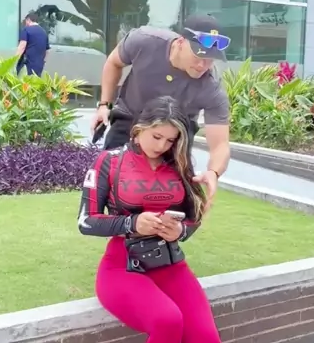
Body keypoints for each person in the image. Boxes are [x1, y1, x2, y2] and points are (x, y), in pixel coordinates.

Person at [78, 95, 254, 343]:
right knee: (167, 319)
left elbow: (192, 218)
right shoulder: (109, 162)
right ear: (139, 128)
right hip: (122, 268)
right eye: (156, 136)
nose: (162, 145)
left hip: (171, 266)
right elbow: (86, 221)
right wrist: (132, 223)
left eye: (171, 140)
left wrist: (180, 231)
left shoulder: (179, 165)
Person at [90, 14, 231, 207]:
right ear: (180, 42)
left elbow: (220, 144)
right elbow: (114, 63)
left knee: (177, 201)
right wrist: (104, 105)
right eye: (198, 56)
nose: (202, 66)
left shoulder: (211, 87)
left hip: (175, 135)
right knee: (107, 183)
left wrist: (213, 172)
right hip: (130, 118)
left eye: (210, 60)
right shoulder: (144, 41)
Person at [16, 12, 50, 76]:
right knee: (35, 81)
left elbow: (22, 46)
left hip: (27, 65)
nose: (25, 24)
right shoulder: (44, 32)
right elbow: (47, 51)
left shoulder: (26, 30)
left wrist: (14, 59)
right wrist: (43, 62)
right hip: (39, 66)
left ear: (28, 20)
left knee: (23, 81)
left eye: (26, 21)